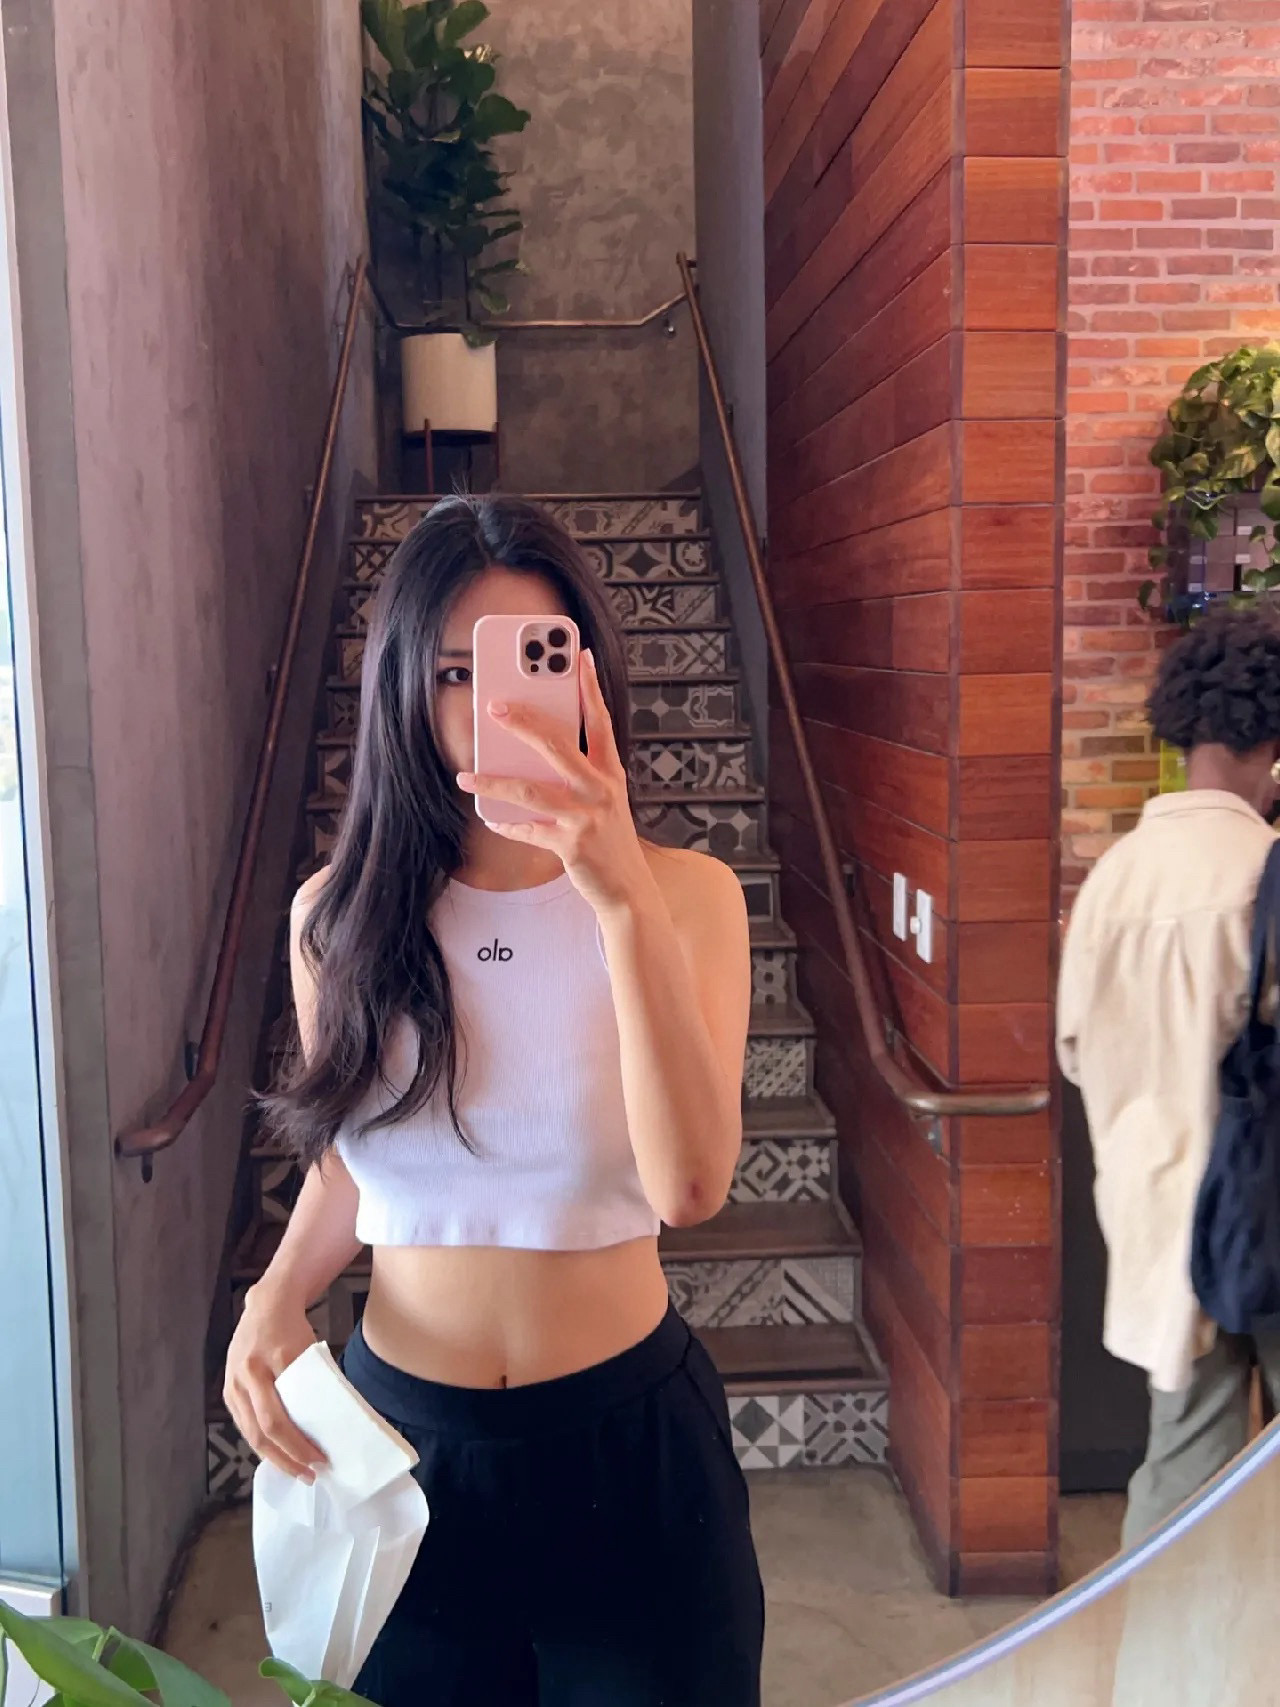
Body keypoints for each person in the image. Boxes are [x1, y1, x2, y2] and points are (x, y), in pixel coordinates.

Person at [223, 495, 765, 1705]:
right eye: (453, 671)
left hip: (631, 1454)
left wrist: (615, 896)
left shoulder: (687, 898)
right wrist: (274, 1291)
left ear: (589, 679)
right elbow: (353, 1163)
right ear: (402, 689)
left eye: (531, 662)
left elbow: (688, 1187)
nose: (490, 707)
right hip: (400, 1461)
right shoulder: (335, 918)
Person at [1058, 603, 1280, 1548]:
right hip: (1261, 1211)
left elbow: (1075, 1046)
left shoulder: (1115, 876)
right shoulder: (1263, 873)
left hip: (1152, 1205)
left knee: (1184, 1454)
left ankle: (1158, 1626)